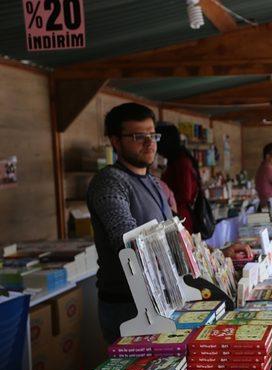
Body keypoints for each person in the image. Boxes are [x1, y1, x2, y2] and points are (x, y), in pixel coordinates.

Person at [87, 103, 250, 344]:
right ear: (115, 141)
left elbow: (175, 241)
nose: (150, 143)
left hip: (165, 299)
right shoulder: (110, 182)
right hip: (130, 305)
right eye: (138, 136)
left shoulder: (153, 182)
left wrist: (215, 254)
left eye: (152, 135)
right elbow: (130, 246)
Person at [156, 122, 199, 233]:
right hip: (175, 213)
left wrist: (167, 200)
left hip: (181, 215)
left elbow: (186, 194)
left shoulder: (181, 162)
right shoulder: (175, 161)